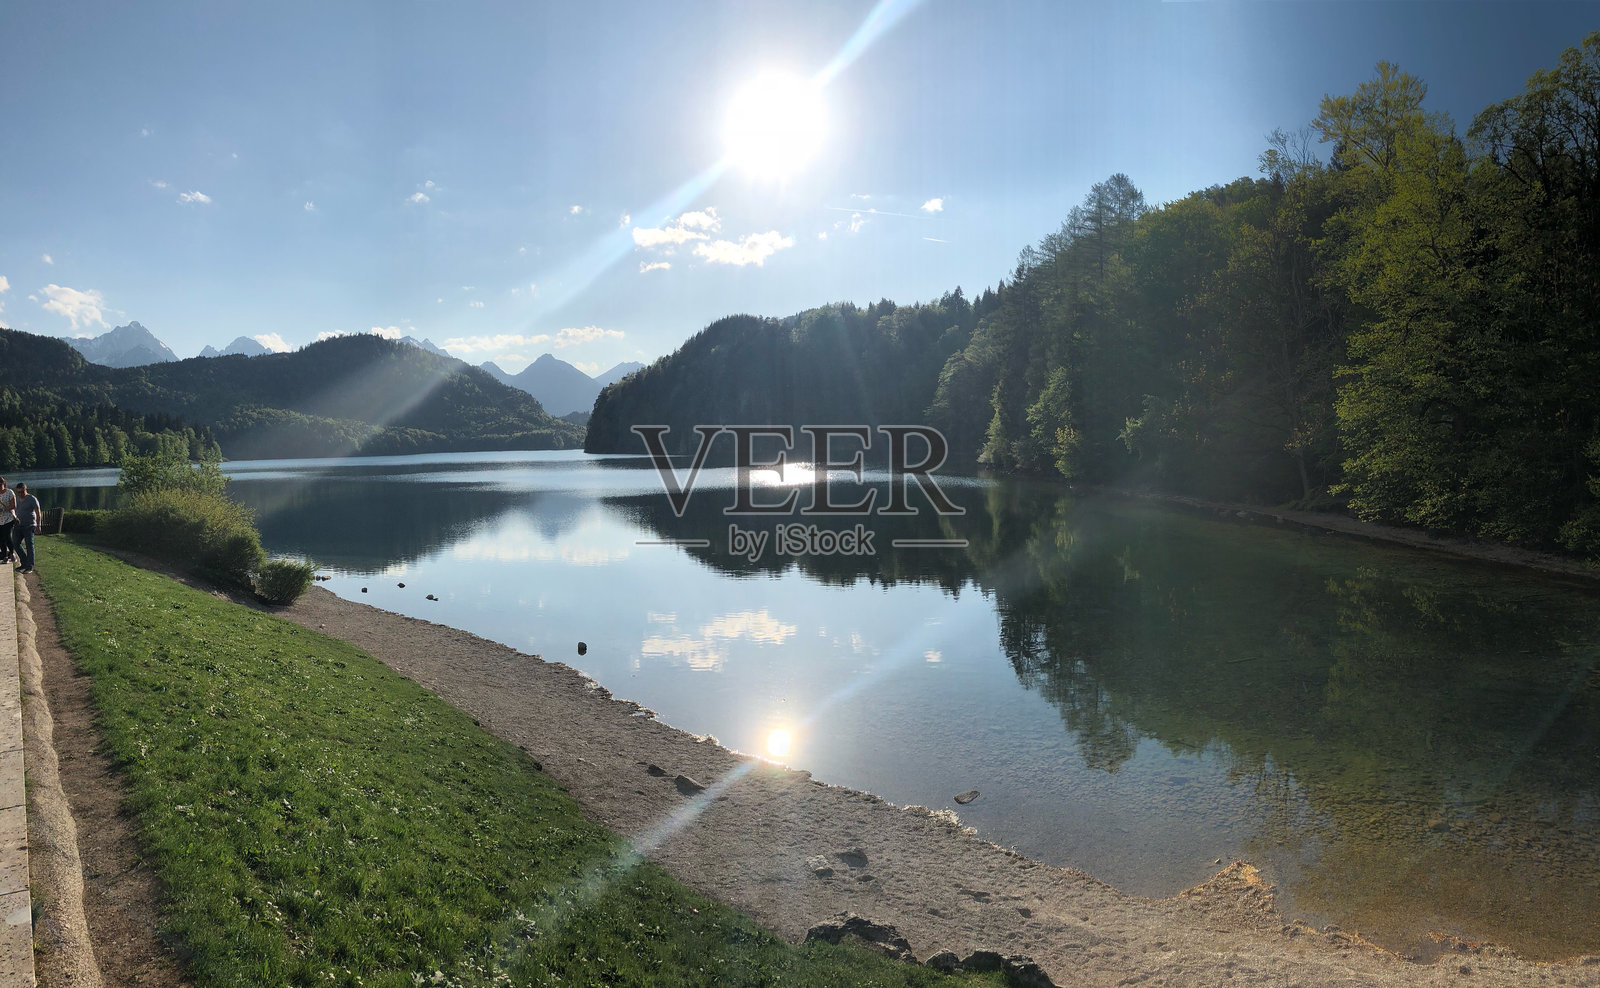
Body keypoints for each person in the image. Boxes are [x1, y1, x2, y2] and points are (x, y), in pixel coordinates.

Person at [13, 482, 40, 574]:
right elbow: (15, 510)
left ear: (26, 490)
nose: (20, 494)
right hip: (18, 525)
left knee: (29, 546)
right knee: (16, 544)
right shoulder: (17, 499)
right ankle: (24, 563)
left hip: (30, 525)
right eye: (18, 492)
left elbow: (38, 513)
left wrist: (38, 526)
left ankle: (30, 567)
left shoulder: (32, 499)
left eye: (22, 492)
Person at [0, 479, 14, 564]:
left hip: (8, 519)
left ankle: (12, 554)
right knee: (1, 539)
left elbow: (14, 505)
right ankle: (5, 556)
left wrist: (5, 509)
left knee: (7, 536)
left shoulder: (9, 492)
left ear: (3, 483)